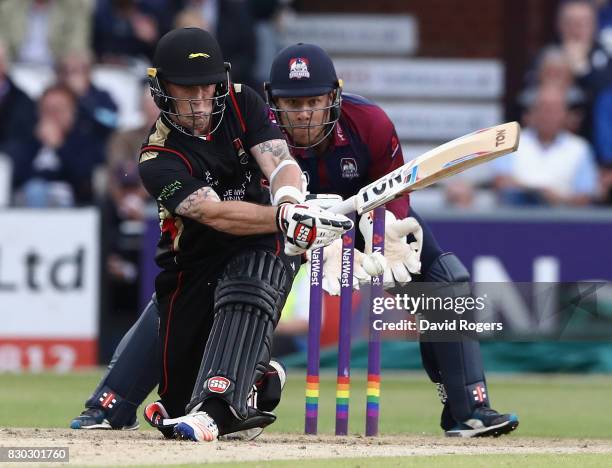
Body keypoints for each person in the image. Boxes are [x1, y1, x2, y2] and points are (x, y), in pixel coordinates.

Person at [71, 42, 518, 438]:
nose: (303, 114)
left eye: (313, 101)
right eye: (292, 102)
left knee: (446, 279)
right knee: (192, 288)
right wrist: (294, 221)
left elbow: (395, 187)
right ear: (272, 102)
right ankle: (112, 404)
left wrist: (392, 232)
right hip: (277, 225)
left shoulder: (370, 123)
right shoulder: (255, 123)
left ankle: (469, 410)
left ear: (334, 98)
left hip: (358, 221)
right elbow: (249, 200)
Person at [74, 28, 352, 443]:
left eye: (207, 88)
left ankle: (222, 404)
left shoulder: (243, 101)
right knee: (178, 400)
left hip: (261, 241)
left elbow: (279, 163)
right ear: (161, 89)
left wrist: (291, 202)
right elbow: (213, 213)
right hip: (192, 266)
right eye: (187, 91)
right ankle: (257, 375)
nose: (201, 102)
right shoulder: (157, 157)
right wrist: (282, 219)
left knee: (253, 273)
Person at [494, 84, 598, 206]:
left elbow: (584, 196)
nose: (548, 116)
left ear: (565, 114)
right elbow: (501, 182)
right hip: (515, 217)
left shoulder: (580, 148)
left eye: (554, 110)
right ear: (532, 112)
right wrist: (539, 193)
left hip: (563, 219)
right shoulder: (509, 141)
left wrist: (556, 199)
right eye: (543, 108)